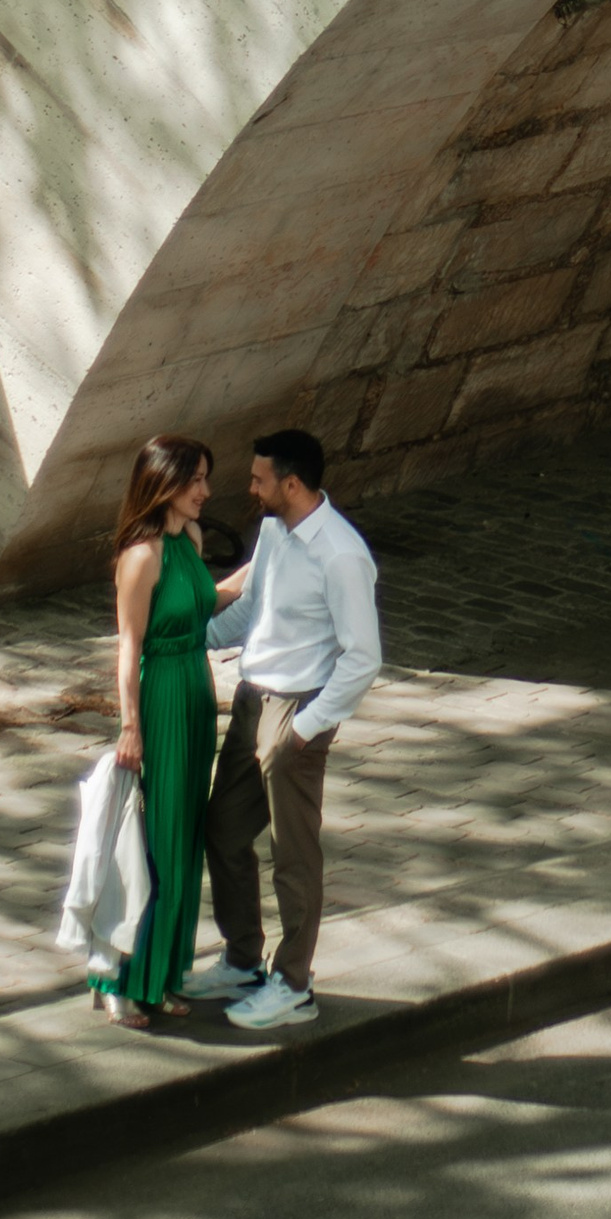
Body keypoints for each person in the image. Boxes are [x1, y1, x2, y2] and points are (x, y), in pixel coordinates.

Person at [190, 429, 382, 1033]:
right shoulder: (275, 532)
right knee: (222, 830)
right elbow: (252, 614)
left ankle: (294, 984)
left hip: (296, 710)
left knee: (293, 856)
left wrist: (304, 729)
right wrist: (187, 643)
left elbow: (363, 658)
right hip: (252, 696)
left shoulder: (343, 555)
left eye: (258, 479)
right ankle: (243, 960)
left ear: (291, 484)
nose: (249, 488)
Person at [97, 433, 223, 1028]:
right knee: (150, 846)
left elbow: (202, 603)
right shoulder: (141, 555)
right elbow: (129, 646)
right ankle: (117, 979)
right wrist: (131, 726)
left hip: (198, 696)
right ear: (165, 483)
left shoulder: (190, 540)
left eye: (205, 478)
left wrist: (258, 571)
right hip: (163, 698)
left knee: (183, 842)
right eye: (196, 479)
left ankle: (162, 975)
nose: (206, 491)